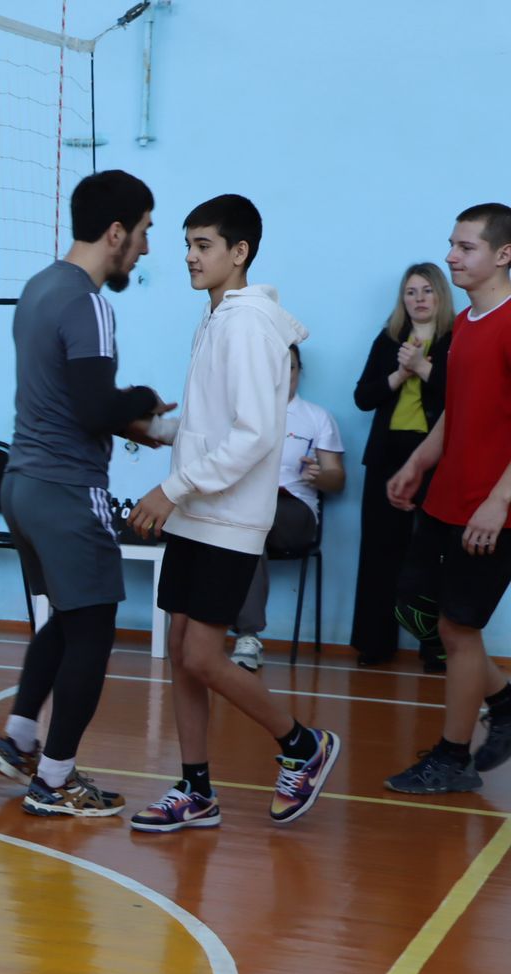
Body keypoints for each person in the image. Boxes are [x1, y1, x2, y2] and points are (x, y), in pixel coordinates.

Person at [127, 194, 341, 833]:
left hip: (226, 518)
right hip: (198, 512)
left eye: (204, 246)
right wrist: (158, 431)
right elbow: (213, 423)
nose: (191, 257)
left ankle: (303, 745)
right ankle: (196, 789)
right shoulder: (217, 316)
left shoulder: (249, 323)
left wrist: (173, 488)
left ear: (239, 252)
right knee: (178, 648)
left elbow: (253, 436)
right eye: (187, 245)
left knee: (202, 656)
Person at [0, 169, 171, 817]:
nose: (145, 249)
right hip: (65, 490)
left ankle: (18, 738)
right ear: (115, 233)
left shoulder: (38, 288)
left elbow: (68, 398)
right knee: (93, 632)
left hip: (21, 485)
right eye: (142, 234)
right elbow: (92, 408)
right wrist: (144, 406)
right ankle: (55, 783)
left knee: (63, 619)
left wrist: (132, 420)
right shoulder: (89, 302)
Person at [384, 204, 511, 794]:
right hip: (446, 501)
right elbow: (456, 415)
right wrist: (417, 461)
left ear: (503, 255)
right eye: (452, 246)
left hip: (492, 511)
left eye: (466, 248)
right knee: (421, 611)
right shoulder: (465, 326)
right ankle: (506, 701)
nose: (452, 257)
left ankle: (453, 757)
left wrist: (497, 502)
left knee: (459, 631)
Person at [351, 263, 454, 668]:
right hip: (385, 458)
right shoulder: (389, 338)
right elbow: (363, 396)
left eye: (426, 291)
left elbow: (463, 396)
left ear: (440, 295)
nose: (418, 299)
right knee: (378, 552)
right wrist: (399, 374)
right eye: (410, 292)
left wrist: (424, 368)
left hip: (435, 459)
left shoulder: (454, 338)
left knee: (432, 554)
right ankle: (375, 643)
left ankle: (436, 647)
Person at [229, 343, 345, 671]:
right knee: (239, 525)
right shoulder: (244, 415)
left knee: (251, 522)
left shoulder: (317, 417)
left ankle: (247, 635)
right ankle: (221, 633)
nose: (283, 375)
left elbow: (337, 478)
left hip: (295, 512)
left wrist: (320, 476)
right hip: (249, 511)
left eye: (290, 367)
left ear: (299, 372)